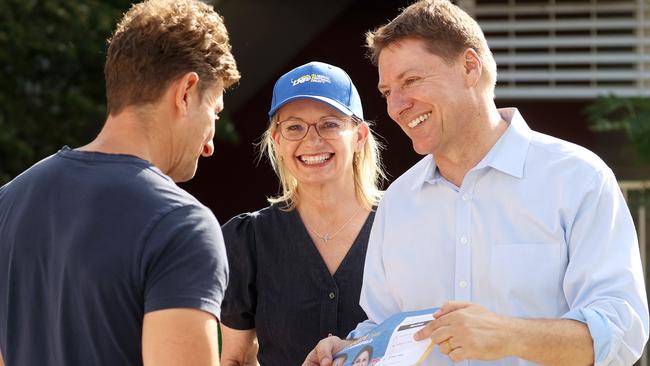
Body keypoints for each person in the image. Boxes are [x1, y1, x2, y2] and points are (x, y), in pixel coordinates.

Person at [304, 1, 649, 366]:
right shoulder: (398, 201)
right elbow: (384, 329)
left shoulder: (578, 178)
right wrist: (350, 350)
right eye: (388, 91)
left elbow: (622, 333)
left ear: (470, 67)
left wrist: (510, 336)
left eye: (412, 81)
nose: (397, 106)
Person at [0, 0, 239, 365]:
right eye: (215, 112)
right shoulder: (183, 226)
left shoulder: (8, 202)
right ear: (186, 92)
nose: (209, 145)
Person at [219, 61, 385, 366]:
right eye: (294, 126)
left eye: (330, 123)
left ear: (359, 135)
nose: (311, 140)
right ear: (277, 140)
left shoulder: (402, 222)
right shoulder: (249, 239)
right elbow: (236, 358)